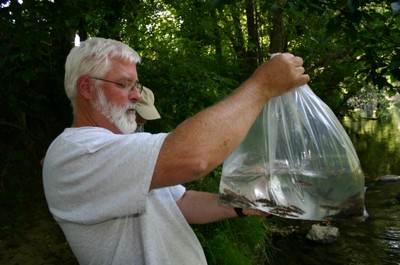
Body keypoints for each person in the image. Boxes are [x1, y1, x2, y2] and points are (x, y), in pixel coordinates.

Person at [42, 37, 309, 265]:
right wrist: (262, 86)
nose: (136, 96)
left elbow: (180, 203)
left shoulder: (121, 148)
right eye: (124, 84)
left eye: (136, 85)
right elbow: (195, 158)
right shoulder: (77, 151)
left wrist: (242, 205)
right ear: (87, 88)